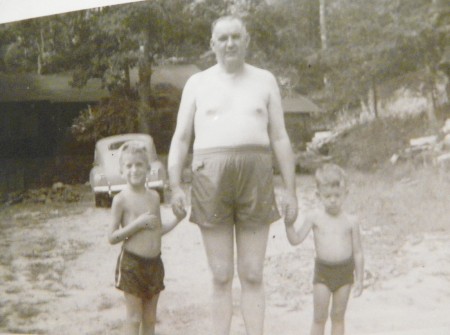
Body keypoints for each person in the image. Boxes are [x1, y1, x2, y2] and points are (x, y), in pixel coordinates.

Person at [168, 15, 298, 335]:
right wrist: (174, 186)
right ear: (212, 44)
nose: (229, 44)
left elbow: (280, 136)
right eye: (223, 38)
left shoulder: (265, 80)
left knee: (253, 273)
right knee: (221, 274)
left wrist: (291, 190)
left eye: (235, 37)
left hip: (256, 176)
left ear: (246, 41)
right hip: (210, 179)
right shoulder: (198, 83)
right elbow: (181, 138)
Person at [108, 141, 186, 335]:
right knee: (134, 318)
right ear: (121, 170)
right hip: (132, 264)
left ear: (148, 168)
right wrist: (136, 225)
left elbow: (157, 230)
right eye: (129, 165)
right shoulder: (121, 200)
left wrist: (178, 219)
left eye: (139, 164)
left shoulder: (153, 197)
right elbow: (111, 237)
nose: (134, 169)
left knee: (150, 319)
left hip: (154, 264)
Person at [285, 163, 364, 335]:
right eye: (328, 196)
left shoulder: (351, 221)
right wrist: (288, 225)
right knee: (319, 317)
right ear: (318, 195)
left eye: (337, 195)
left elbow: (358, 252)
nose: (333, 200)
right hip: (323, 273)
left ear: (345, 194)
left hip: (345, 274)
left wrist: (360, 278)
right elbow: (296, 240)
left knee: (338, 317)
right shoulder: (315, 218)